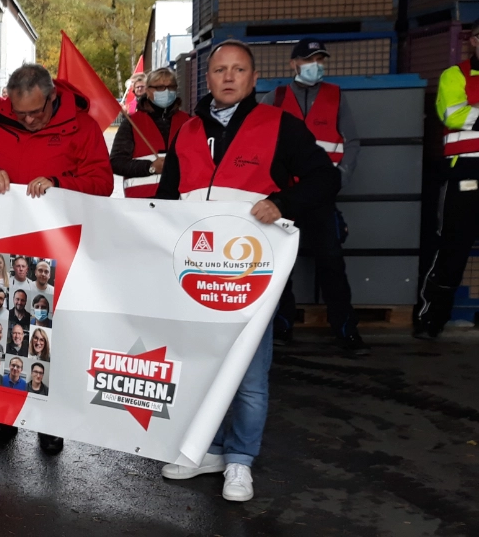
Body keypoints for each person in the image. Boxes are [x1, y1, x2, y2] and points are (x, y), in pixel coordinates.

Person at [155, 40, 341, 503]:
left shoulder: (280, 126)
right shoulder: (188, 131)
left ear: (254, 79)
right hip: (196, 271)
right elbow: (166, 196)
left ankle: (240, 461)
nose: (229, 77)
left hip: (252, 273)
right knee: (202, 366)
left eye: (239, 70)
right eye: (220, 70)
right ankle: (208, 451)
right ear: (208, 78)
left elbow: (326, 177)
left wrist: (283, 203)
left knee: (251, 374)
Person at [0, 61, 110, 453]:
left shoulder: (83, 127)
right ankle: (2, 417)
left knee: (48, 337)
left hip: (59, 250)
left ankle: (50, 422)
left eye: (36, 112)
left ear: (53, 98)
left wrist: (61, 185)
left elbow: (102, 182)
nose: (27, 120)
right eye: (20, 112)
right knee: (4, 335)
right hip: (8, 250)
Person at [257, 40, 366, 352]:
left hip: (320, 197)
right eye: (308, 59)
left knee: (331, 263)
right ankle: (282, 325)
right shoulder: (274, 98)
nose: (315, 64)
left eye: (319, 59)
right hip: (285, 199)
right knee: (280, 267)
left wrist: (339, 179)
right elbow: (257, 142)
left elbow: (352, 142)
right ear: (294, 64)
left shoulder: (336, 97)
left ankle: (346, 329)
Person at [418, 20, 479, 338]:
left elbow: (466, 115)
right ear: (473, 41)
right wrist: (469, 114)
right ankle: (432, 320)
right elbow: (453, 115)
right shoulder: (455, 75)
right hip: (464, 172)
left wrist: (474, 112)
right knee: (452, 248)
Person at [111, 67, 189, 199]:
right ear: (148, 90)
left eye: (170, 87)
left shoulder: (188, 122)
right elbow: (117, 162)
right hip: (143, 204)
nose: (166, 91)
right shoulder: (132, 123)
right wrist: (150, 167)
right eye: (159, 88)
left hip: (181, 201)